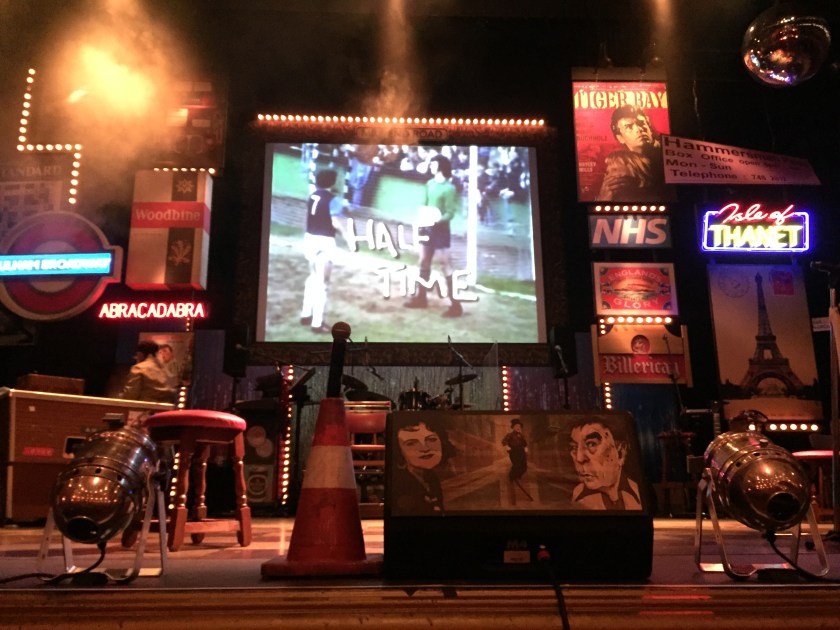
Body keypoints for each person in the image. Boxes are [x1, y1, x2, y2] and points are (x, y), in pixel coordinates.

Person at [404, 154, 463, 317]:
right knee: (423, 261)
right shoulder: (429, 184)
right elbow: (424, 204)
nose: (431, 166)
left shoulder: (449, 188)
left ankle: (456, 306)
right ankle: (421, 298)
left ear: (441, 167)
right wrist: (422, 219)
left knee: (445, 264)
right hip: (426, 227)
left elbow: (451, 212)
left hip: (440, 229)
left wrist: (437, 220)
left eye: (433, 164)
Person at [299, 168, 347, 335]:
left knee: (312, 277)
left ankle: (306, 314)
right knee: (322, 283)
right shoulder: (333, 200)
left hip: (309, 239)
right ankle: (317, 323)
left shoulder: (312, 196)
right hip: (324, 241)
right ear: (332, 182)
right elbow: (335, 222)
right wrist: (347, 236)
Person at [568, 417, 642, 510]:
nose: (579, 458)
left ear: (620, 452)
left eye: (591, 444)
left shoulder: (639, 492)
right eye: (574, 447)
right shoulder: (578, 498)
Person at [390, 414, 457, 515]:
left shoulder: (430, 477)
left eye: (431, 440)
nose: (425, 448)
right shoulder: (399, 484)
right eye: (411, 443)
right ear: (399, 451)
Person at [597, 105, 666, 202]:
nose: (638, 129)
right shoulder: (619, 163)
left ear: (649, 127)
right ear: (620, 138)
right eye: (629, 127)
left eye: (641, 123)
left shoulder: (666, 155)